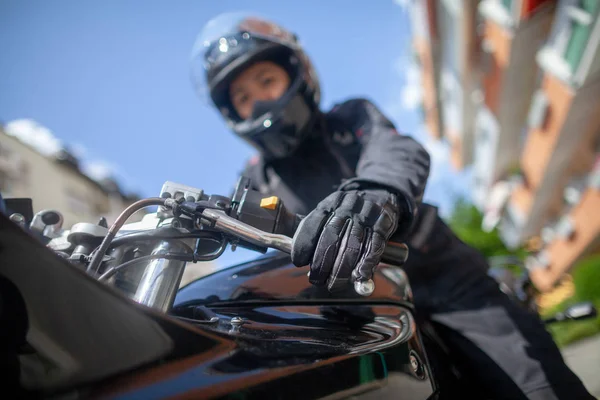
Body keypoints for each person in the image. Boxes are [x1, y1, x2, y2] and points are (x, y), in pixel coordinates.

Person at [190, 13, 594, 400]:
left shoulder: (350, 118)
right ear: (232, 114)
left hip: (443, 281)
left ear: (297, 73)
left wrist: (377, 192)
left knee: (536, 389)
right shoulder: (257, 181)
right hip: (359, 314)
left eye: (266, 81)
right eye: (244, 98)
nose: (259, 102)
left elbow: (395, 151)